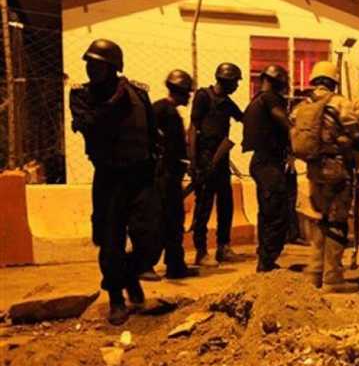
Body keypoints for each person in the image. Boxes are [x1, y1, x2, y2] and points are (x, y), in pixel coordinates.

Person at [70, 39, 161, 325]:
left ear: (113, 67)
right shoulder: (81, 96)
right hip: (109, 177)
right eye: (89, 63)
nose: (91, 69)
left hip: (141, 175)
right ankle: (116, 299)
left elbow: (151, 132)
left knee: (151, 240)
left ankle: (129, 275)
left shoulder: (137, 93)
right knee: (111, 243)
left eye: (97, 64)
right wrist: (113, 104)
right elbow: (88, 125)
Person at [292, 61, 359, 293]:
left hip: (314, 170)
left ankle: (315, 274)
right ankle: (333, 278)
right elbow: (357, 136)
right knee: (337, 222)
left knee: (321, 221)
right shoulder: (339, 103)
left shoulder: (303, 105)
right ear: (333, 81)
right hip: (336, 170)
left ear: (314, 80)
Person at [189, 63, 244, 267]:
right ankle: (201, 251)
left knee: (226, 204)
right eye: (235, 82)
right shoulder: (204, 96)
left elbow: (245, 118)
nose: (237, 86)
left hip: (220, 160)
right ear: (226, 80)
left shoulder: (228, 103)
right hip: (205, 158)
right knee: (203, 206)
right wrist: (193, 161)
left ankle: (223, 247)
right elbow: (193, 128)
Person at [149, 69, 200, 279]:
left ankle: (174, 264)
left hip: (167, 174)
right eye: (187, 92)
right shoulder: (166, 112)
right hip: (165, 176)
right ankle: (166, 265)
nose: (189, 96)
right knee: (168, 220)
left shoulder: (160, 109)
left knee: (169, 220)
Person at [242, 65, 291, 272]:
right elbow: (282, 120)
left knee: (268, 212)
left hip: (262, 162)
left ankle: (266, 258)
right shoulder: (269, 98)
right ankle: (266, 261)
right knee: (276, 212)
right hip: (269, 163)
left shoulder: (255, 100)